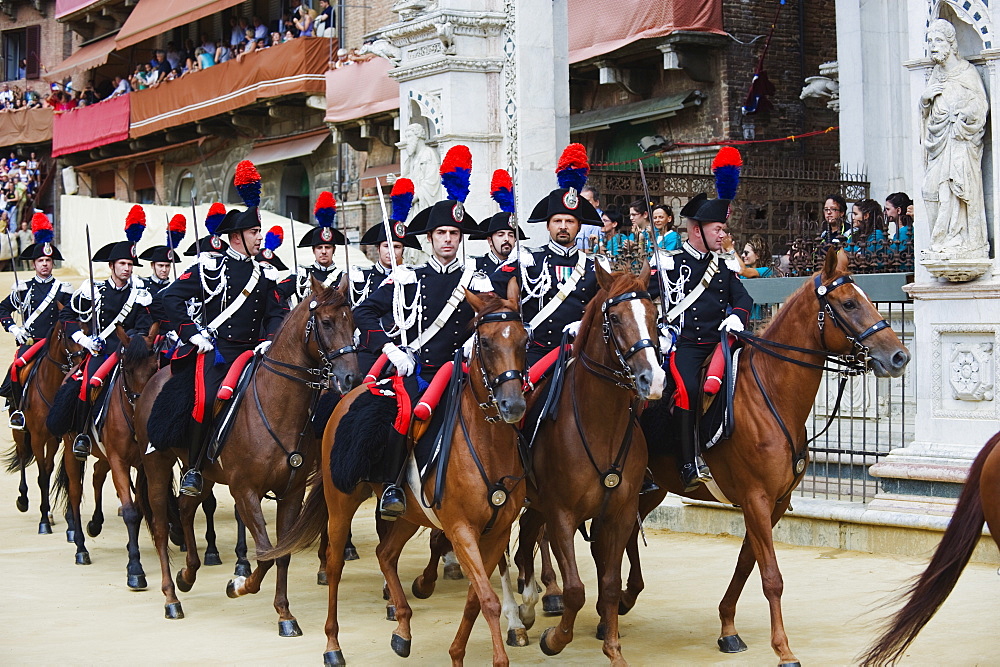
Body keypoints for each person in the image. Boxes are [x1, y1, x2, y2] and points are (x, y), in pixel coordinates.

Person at [353, 146, 491, 517]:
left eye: (454, 233)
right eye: (441, 233)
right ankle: (394, 486)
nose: (448, 239)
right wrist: (390, 349)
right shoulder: (409, 278)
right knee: (404, 415)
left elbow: (497, 321)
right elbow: (362, 311)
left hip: (462, 372)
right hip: (420, 370)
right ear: (429, 238)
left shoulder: (477, 280)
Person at [154, 161, 286, 496]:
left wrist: (269, 340)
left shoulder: (264, 274)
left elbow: (276, 312)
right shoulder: (210, 267)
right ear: (237, 237)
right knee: (206, 400)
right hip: (217, 352)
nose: (261, 237)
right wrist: (191, 333)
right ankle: (195, 468)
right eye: (255, 233)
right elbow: (170, 299)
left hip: (254, 352)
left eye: (259, 231)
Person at [661, 148, 752, 491]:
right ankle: (687, 461)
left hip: (718, 344)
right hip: (684, 345)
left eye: (724, 229)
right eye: (718, 228)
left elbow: (743, 297)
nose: (723, 235)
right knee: (688, 390)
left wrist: (737, 318)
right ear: (697, 230)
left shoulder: (723, 264)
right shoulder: (671, 262)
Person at [492, 143, 604, 365]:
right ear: (548, 226)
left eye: (569, 221)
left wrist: (587, 323)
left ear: (579, 226)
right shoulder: (528, 260)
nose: (563, 226)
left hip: (581, 353)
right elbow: (492, 291)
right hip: (537, 352)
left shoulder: (594, 266)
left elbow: (608, 307)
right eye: (557, 221)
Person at [60, 206, 154, 459]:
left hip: (131, 353)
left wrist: (135, 339)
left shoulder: (140, 293)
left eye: (130, 264)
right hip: (102, 352)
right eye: (123, 264)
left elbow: (146, 323)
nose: (127, 268)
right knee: (86, 385)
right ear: (111, 265)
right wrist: (84, 340)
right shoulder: (95, 290)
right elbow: (67, 317)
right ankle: (82, 434)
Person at [921, 18, 989, 258]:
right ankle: (940, 239)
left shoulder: (967, 72)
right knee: (929, 189)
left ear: (951, 43)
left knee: (955, 188)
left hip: (961, 144)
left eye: (938, 40)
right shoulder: (936, 76)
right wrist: (926, 100)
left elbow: (981, 106)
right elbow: (926, 118)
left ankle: (961, 240)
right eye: (930, 41)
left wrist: (964, 116)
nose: (932, 46)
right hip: (939, 146)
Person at [0, 213, 73, 429]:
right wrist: (13, 328)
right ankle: (17, 410)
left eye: (48, 261)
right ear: (34, 264)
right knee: (15, 371)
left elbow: (73, 315)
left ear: (52, 263)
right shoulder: (24, 289)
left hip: (57, 345)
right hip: (32, 343)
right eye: (41, 261)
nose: (45, 265)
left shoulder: (63, 289)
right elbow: (3, 309)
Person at [350, 179, 422, 371]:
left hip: (404, 350)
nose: (392, 251)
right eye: (387, 246)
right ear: (377, 249)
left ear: (403, 250)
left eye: (397, 247)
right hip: (370, 349)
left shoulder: (411, 278)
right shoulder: (362, 279)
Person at [282, 191, 347, 305]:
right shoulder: (302, 275)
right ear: (313, 250)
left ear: (334, 250)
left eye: (327, 247)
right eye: (319, 247)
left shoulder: (343, 278)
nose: (323, 251)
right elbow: (277, 294)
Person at [471, 169, 525, 273]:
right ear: (490, 240)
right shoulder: (475, 267)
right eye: (500, 235)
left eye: (511, 235)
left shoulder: (523, 268)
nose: (506, 239)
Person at [401, 123, 443, 211]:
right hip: (413, 205)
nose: (407, 141)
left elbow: (432, 181)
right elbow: (409, 178)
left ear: (418, 137)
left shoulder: (428, 154)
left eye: (409, 136)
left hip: (423, 204)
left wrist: (415, 196)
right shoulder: (412, 158)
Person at [577, 186, 605, 251]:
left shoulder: (601, 220)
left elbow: (598, 246)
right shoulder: (579, 218)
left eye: (587, 201)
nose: (584, 204)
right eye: (581, 201)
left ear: (597, 202)